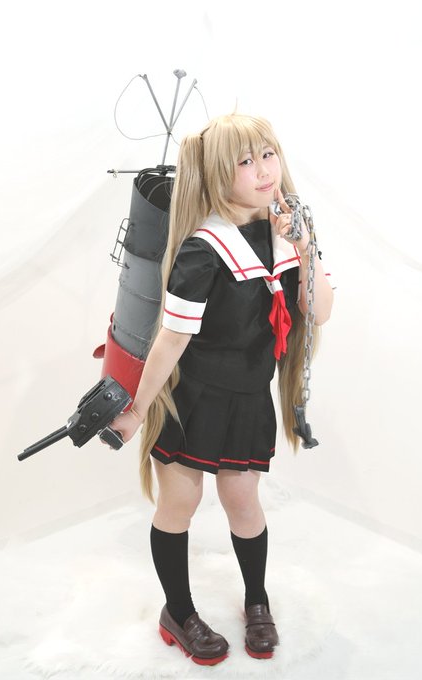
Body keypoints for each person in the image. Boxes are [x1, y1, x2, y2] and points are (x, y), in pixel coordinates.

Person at [109, 113, 334, 665]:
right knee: (180, 502)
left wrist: (305, 246)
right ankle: (178, 611)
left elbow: (320, 311)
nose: (263, 170)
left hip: (249, 397)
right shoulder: (204, 249)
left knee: (243, 502)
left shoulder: (287, 235)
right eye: (245, 161)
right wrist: (137, 409)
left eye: (267, 154)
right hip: (192, 400)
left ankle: (256, 600)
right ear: (215, 174)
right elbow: (170, 341)